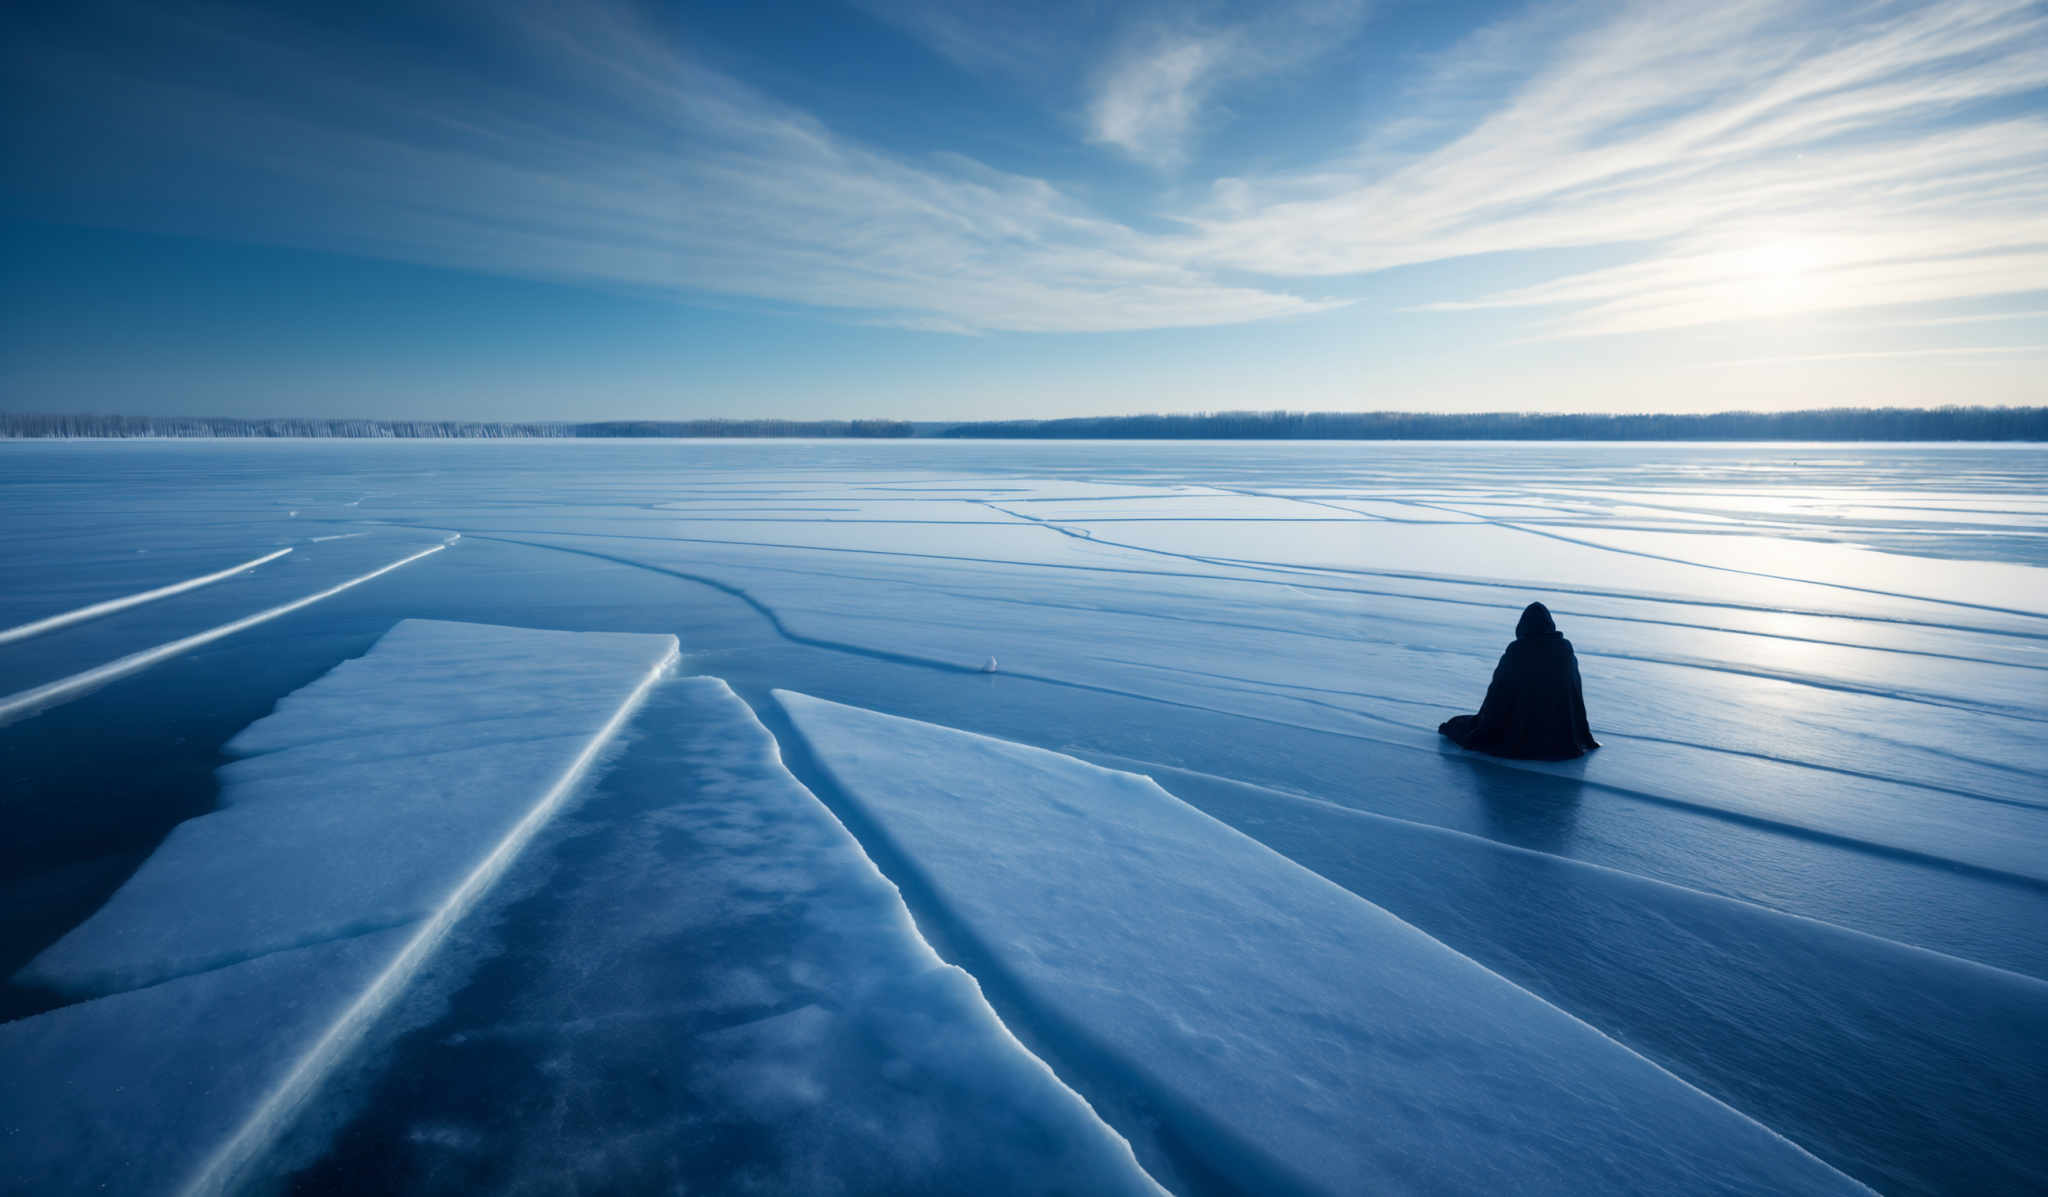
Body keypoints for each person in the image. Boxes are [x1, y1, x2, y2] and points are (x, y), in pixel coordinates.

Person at [1439, 602, 1599, 760]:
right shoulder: (1564, 649)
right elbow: (1575, 694)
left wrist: (1484, 723)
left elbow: (1497, 696)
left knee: (1457, 725)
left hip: (1521, 731)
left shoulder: (1518, 650)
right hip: (1561, 733)